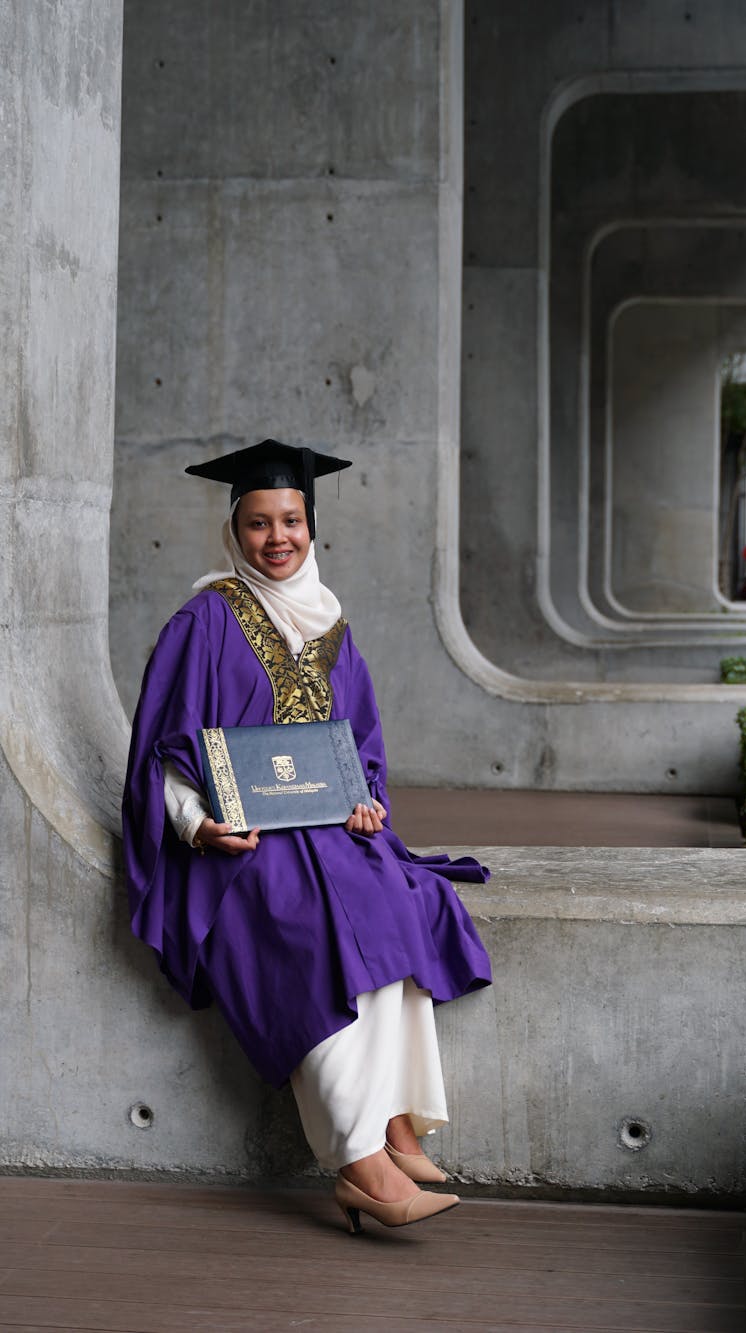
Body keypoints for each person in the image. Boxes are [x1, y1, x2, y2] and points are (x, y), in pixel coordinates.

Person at [122, 439, 493, 1234]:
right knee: (306, 922)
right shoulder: (205, 619)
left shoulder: (331, 622)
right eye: (259, 523)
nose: (277, 537)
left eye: (291, 519)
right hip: (236, 849)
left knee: (399, 892)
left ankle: (398, 1117)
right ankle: (360, 1160)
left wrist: (365, 802)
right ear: (234, 531)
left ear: (311, 525)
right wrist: (196, 823)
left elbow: (358, 747)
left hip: (325, 832)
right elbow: (160, 750)